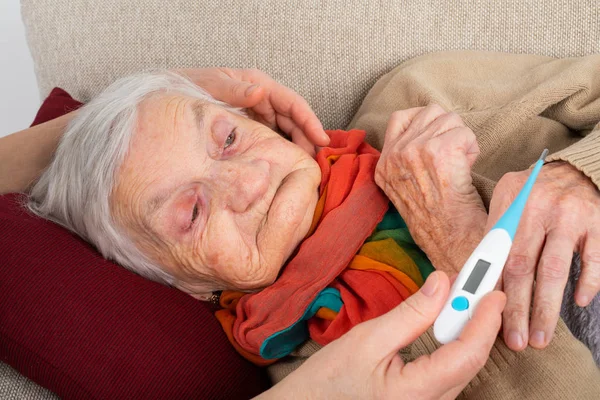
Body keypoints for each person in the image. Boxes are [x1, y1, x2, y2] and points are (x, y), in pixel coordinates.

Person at [0, 66, 598, 399]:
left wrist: (582, 174)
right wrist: (454, 233)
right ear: (185, 287)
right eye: (192, 212)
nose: (247, 182)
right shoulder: (319, 367)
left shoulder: (415, 98)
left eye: (227, 139)